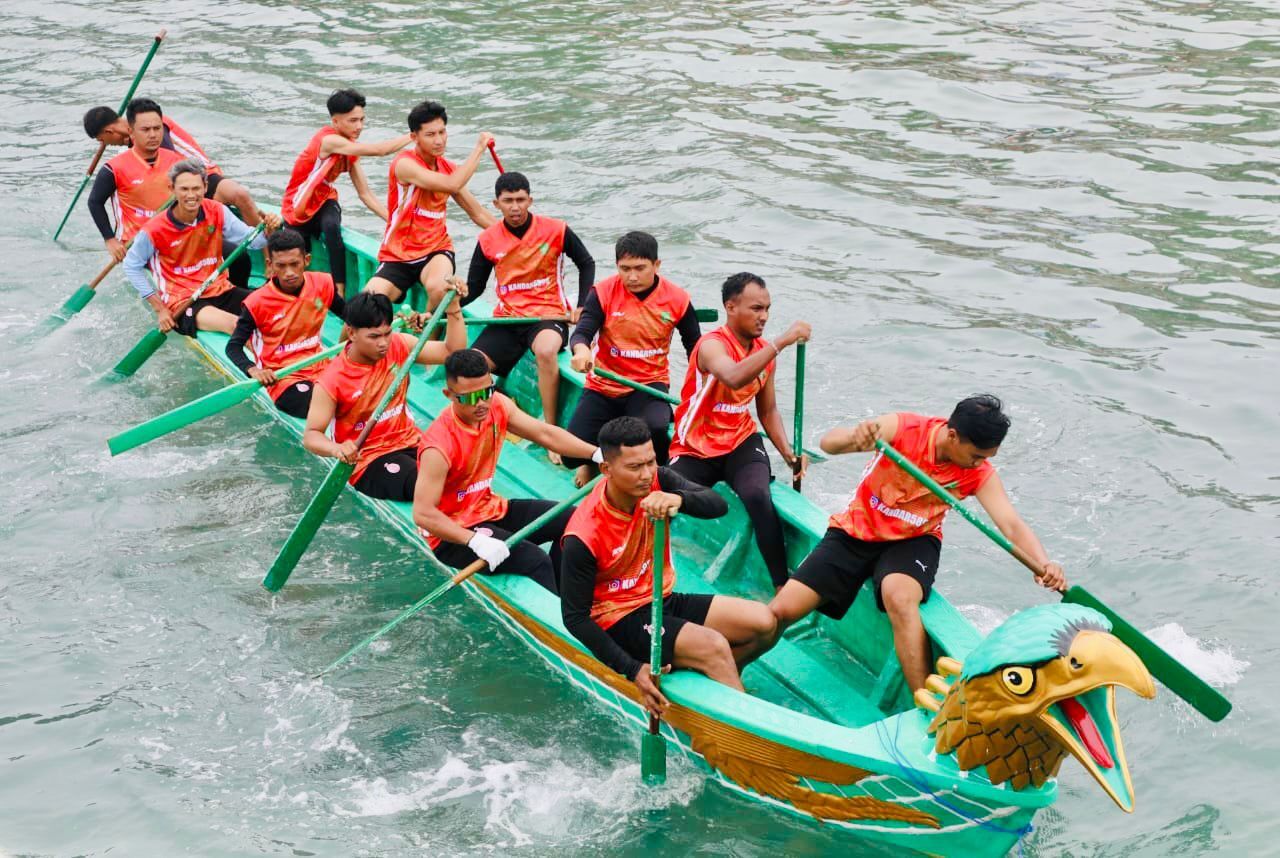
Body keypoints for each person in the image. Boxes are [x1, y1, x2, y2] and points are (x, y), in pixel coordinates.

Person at [766, 396, 1068, 693]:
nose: (980, 464)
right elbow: (828, 444)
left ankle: (925, 701)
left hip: (915, 540)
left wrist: (1043, 563)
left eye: (986, 458)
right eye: (976, 456)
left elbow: (1011, 524)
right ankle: (738, 665)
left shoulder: (978, 473)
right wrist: (854, 438)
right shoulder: (903, 428)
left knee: (899, 597)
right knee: (780, 612)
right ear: (952, 436)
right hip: (857, 529)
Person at [560, 417, 777, 716]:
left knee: (764, 622)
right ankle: (745, 727)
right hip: (620, 618)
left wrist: (678, 499)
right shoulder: (583, 534)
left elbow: (718, 504)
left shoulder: (659, 480)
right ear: (606, 470)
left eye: (650, 462)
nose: (646, 474)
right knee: (714, 646)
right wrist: (632, 669)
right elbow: (575, 618)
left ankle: (716, 681)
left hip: (660, 598)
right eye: (634, 467)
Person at [413, 348, 604, 593]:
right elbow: (423, 514)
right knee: (534, 559)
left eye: (486, 392)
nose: (481, 404)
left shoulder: (497, 406)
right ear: (449, 395)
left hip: (490, 509)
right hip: (453, 534)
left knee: (573, 521)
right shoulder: (438, 447)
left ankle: (567, 594)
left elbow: (544, 433)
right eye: (471, 398)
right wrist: (474, 541)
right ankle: (560, 609)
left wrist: (596, 454)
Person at [668, 272, 811, 590]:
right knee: (662, 494)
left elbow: (768, 411)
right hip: (695, 446)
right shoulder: (712, 346)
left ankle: (781, 586)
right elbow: (733, 377)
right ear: (730, 307)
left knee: (758, 496)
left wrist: (789, 455)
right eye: (756, 308)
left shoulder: (763, 354)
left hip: (740, 442)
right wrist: (781, 341)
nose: (764, 317)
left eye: (767, 309)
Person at [304, 287, 469, 502]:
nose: (383, 343)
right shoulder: (332, 380)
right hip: (369, 460)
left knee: (465, 469)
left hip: (410, 440)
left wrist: (454, 307)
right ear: (351, 333)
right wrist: (337, 449)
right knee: (434, 486)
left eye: (387, 333)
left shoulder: (399, 345)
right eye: (374, 336)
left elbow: (452, 352)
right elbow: (311, 436)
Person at [466, 171, 596, 435]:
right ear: (497, 204)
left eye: (520, 200)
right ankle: (485, 419)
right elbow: (475, 288)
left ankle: (551, 430)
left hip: (548, 316)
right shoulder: (487, 240)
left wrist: (582, 306)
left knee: (546, 351)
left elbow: (586, 263)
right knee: (470, 367)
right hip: (508, 318)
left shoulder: (556, 229)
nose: (515, 207)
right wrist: (448, 303)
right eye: (508, 201)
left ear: (530, 201)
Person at [85, 97, 261, 288]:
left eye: (157, 129)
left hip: (178, 232)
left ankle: (235, 297)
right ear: (131, 131)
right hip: (142, 240)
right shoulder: (113, 168)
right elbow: (94, 202)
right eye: (145, 130)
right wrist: (110, 240)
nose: (153, 135)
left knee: (240, 258)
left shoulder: (175, 160)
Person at [565, 231, 700, 472]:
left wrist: (701, 392)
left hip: (648, 385)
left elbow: (695, 349)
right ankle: (593, 464)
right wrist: (581, 351)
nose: (632, 276)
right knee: (570, 455)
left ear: (656, 265)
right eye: (625, 269)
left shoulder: (677, 299)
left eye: (640, 268)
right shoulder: (602, 292)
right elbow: (582, 332)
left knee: (655, 429)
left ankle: (657, 475)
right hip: (604, 384)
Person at [122, 159, 279, 337]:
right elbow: (131, 266)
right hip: (184, 301)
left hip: (220, 289)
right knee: (236, 325)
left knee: (276, 310)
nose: (191, 195)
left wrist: (269, 230)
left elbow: (255, 242)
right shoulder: (154, 229)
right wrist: (160, 309)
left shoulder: (217, 210)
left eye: (196, 188)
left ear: (205, 187)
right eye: (184, 189)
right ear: (172, 189)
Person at [363, 100, 496, 308]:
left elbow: (477, 213)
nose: (439, 140)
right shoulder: (405, 164)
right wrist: (479, 148)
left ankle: (427, 330)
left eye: (442, 132)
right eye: (430, 134)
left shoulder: (448, 169)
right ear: (414, 137)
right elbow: (452, 184)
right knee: (367, 302)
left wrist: (520, 235)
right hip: (398, 254)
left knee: (439, 289)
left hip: (436, 250)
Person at [280, 88, 411, 296]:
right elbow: (380, 150)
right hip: (297, 207)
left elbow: (365, 194)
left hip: (324, 200)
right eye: (353, 121)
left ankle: (338, 290)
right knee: (296, 254)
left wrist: (392, 220)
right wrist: (414, 135)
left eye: (362, 120)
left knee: (332, 227)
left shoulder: (349, 149)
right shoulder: (329, 141)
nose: (359, 126)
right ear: (335, 121)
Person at [226, 228, 346, 419]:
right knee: (319, 403)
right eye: (281, 266)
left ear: (306, 260)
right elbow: (233, 347)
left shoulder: (323, 283)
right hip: (283, 378)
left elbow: (351, 316)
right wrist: (253, 370)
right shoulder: (256, 302)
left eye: (294, 264)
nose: (289, 273)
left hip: (320, 366)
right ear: (270, 265)